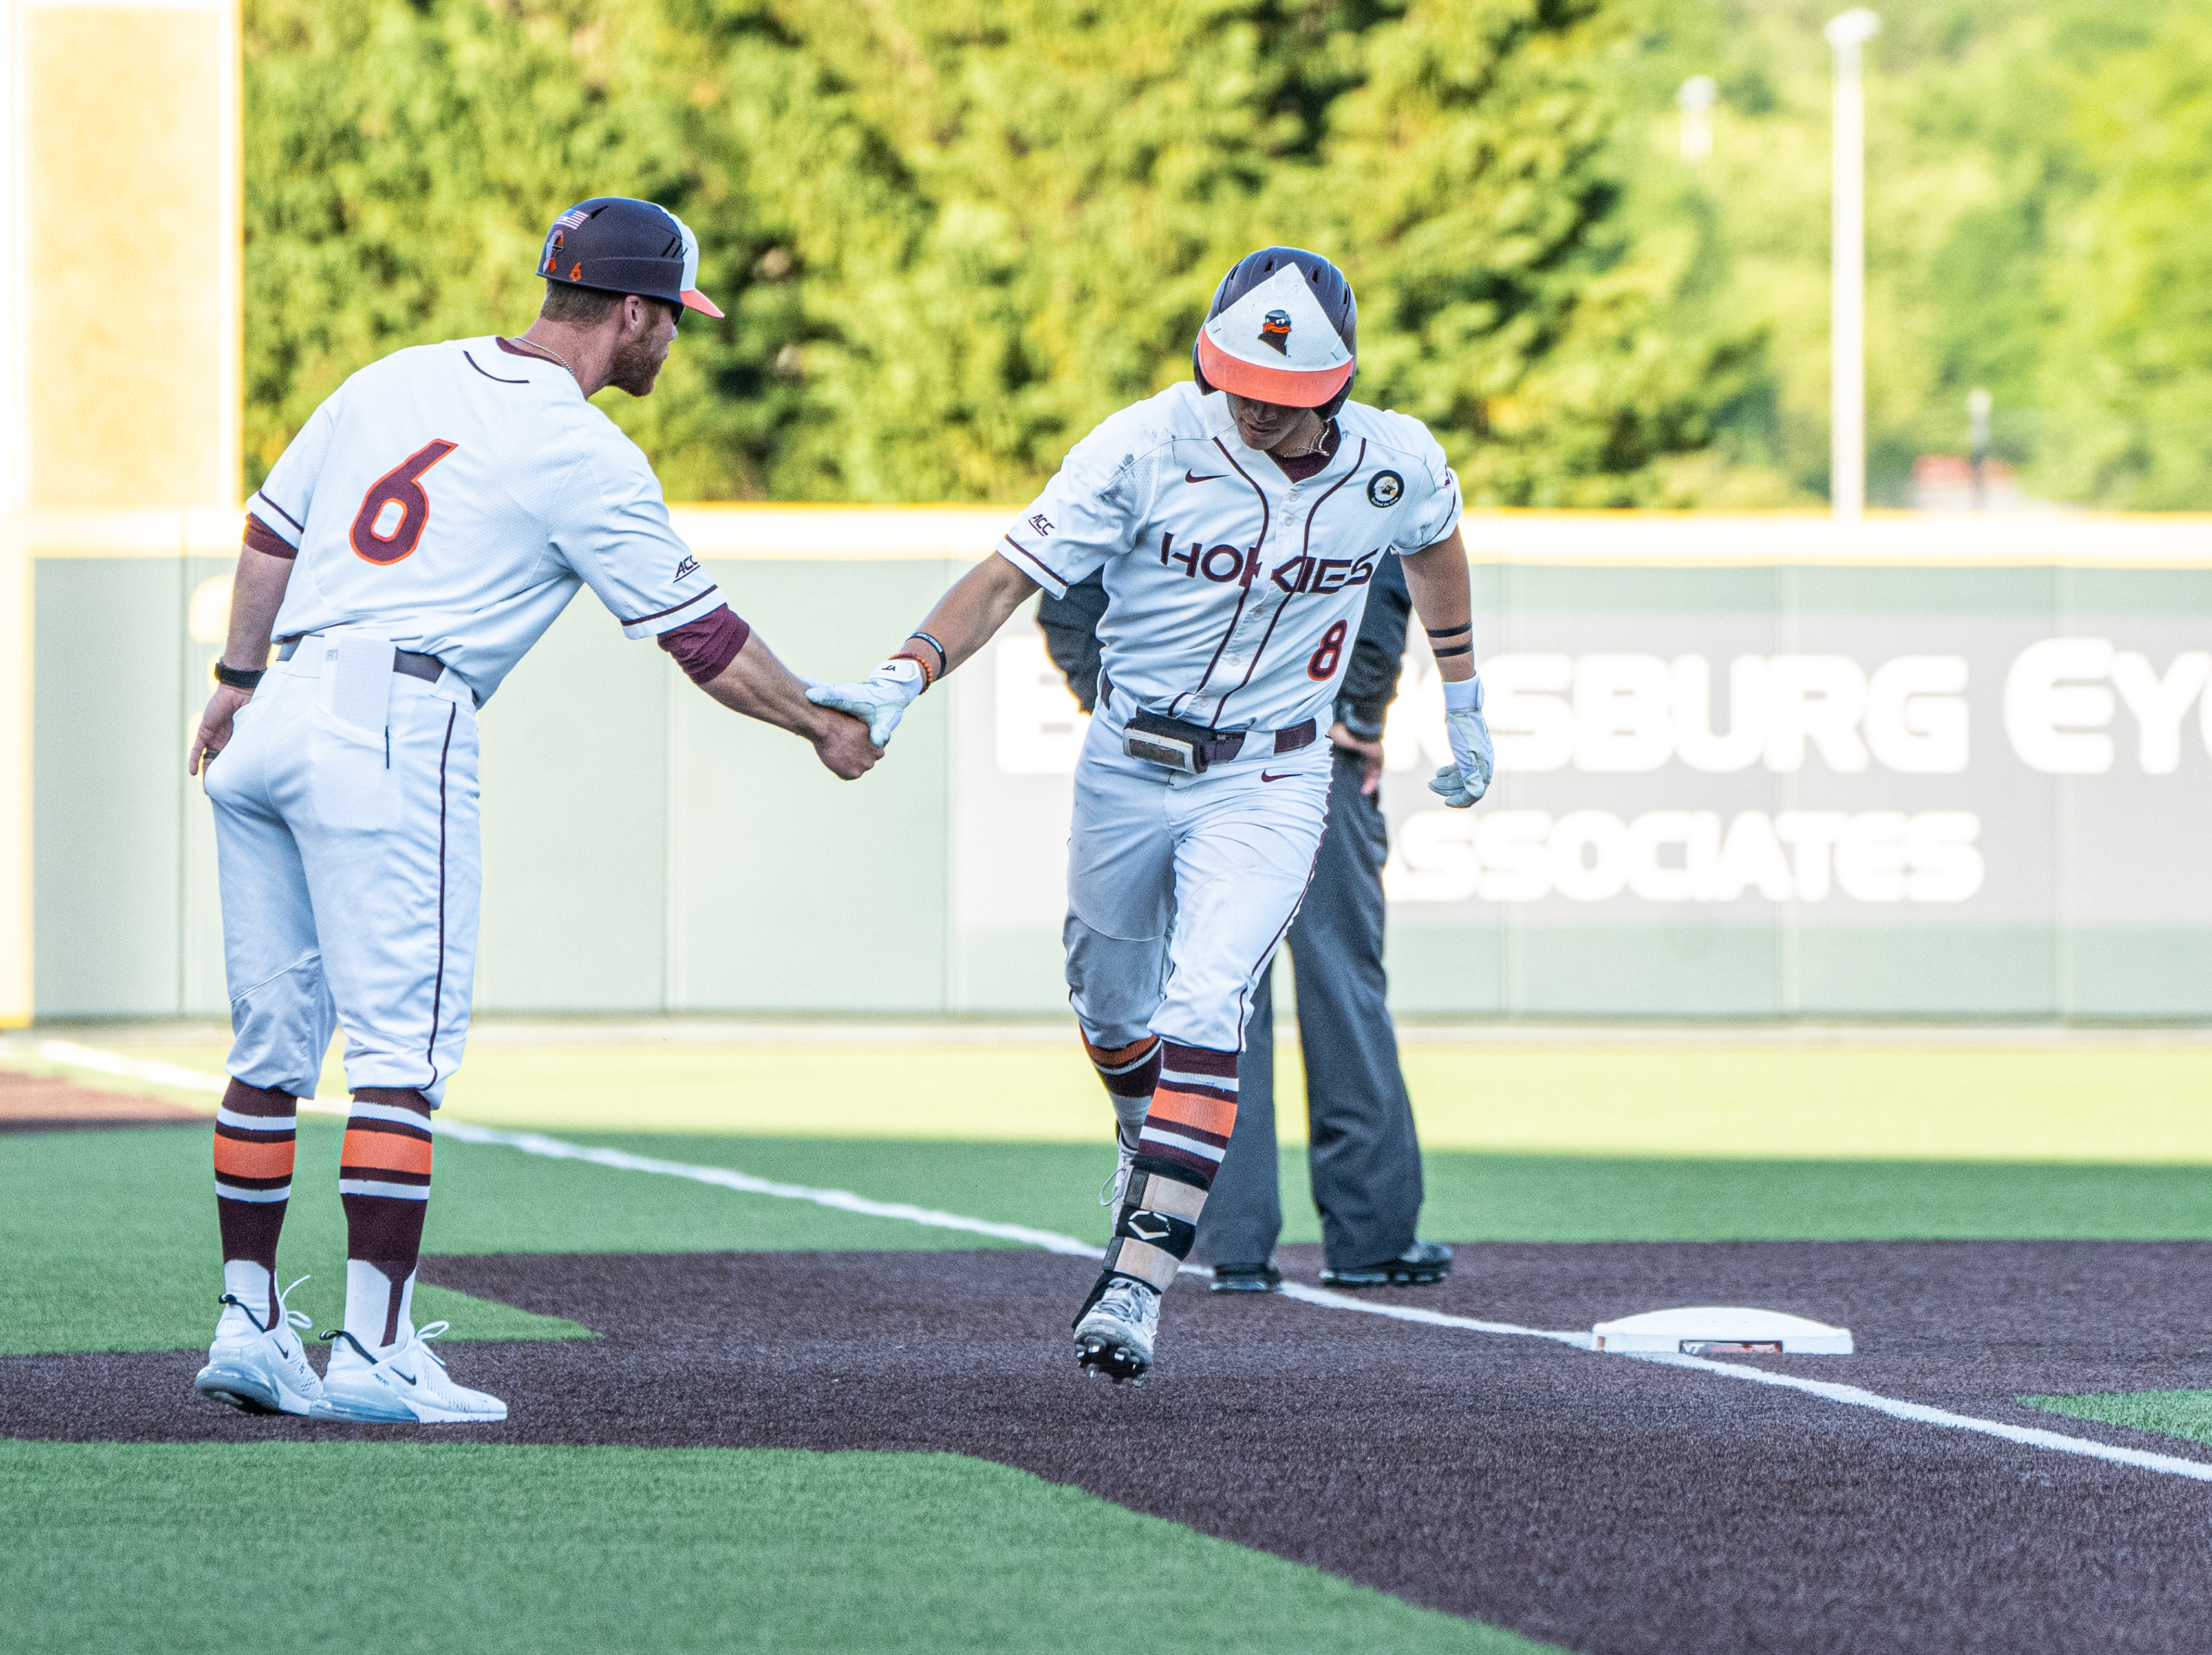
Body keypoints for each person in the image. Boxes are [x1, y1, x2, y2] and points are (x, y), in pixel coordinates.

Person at [184, 197, 880, 1424]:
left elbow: (271, 534)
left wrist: (236, 686)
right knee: (400, 1061)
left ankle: (250, 1320)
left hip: (279, 703)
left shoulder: (395, 377)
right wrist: (821, 723)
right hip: (395, 718)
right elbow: (702, 639)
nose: (676, 339)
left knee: (272, 1049)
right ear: (630, 312)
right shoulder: (582, 449)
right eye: (673, 317)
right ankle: (376, 1349)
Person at [810, 247, 1493, 1381]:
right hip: (1129, 765)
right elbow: (1005, 579)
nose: (1258, 412)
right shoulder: (1140, 444)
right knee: (1110, 1005)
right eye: (1240, 387)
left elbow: (1438, 549)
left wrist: (1463, 700)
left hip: (1274, 776)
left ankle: (1138, 1285)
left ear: (1336, 386)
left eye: (1285, 398)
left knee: (1207, 999)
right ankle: (1145, 1139)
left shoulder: (1395, 459)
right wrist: (904, 672)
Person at [1038, 556, 1452, 1293]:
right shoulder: (1334, 455)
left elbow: (1068, 597)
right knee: (1334, 991)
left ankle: (1231, 1241)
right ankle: (1369, 1238)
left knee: (1216, 994)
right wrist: (1354, 711)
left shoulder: (1155, 453)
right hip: (1295, 758)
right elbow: (1385, 584)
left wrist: (1135, 716)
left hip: (1193, 764)